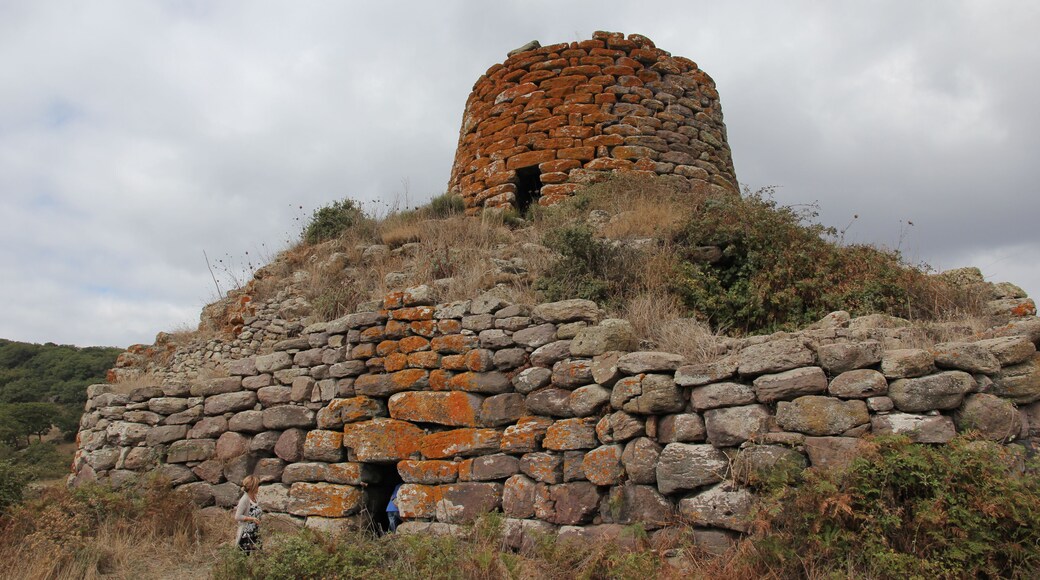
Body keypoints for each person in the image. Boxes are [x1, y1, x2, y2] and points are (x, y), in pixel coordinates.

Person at [235, 475, 263, 552]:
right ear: (252, 487)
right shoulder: (244, 499)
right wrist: (252, 519)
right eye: (257, 485)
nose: (258, 487)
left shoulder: (255, 498)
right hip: (246, 535)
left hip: (255, 533)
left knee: (258, 557)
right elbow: (237, 516)